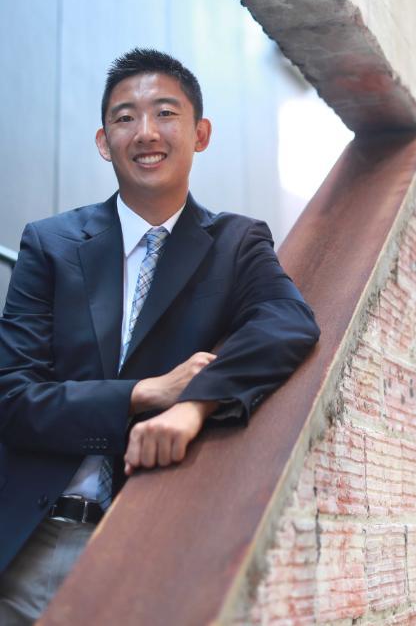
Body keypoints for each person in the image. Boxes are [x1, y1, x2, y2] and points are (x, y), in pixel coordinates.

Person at [0, 48, 320, 624]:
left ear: (200, 133)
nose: (145, 132)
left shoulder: (236, 243)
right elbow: (13, 399)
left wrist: (194, 404)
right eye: (125, 118)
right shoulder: (50, 244)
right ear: (104, 142)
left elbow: (288, 322)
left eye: (165, 114)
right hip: (29, 545)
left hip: (153, 541)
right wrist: (143, 393)